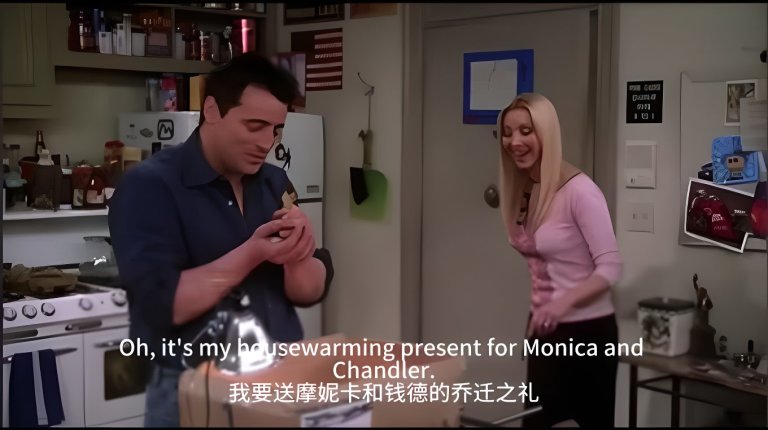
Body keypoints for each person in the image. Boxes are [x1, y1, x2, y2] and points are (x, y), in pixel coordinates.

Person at [108, 52, 334, 428]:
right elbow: (162, 306)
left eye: (276, 129)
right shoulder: (149, 186)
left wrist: (299, 253)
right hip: (192, 386)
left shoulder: (274, 182)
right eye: (254, 126)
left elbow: (306, 293)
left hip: (280, 374)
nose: (267, 142)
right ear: (212, 110)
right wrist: (253, 252)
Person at [496, 93, 623, 428]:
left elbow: (610, 266)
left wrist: (559, 305)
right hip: (547, 330)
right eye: (507, 133)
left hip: (587, 332)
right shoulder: (526, 188)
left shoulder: (581, 192)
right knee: (537, 421)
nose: (514, 141)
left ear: (547, 133)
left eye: (526, 131)